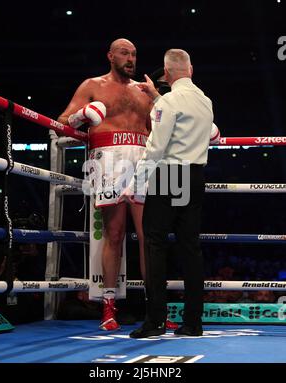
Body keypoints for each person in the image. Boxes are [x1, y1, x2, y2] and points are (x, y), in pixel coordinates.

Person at [57, 38, 178, 331]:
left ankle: (156, 310)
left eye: (134, 54)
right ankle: (108, 308)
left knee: (148, 236)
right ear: (110, 55)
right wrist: (81, 116)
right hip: (108, 160)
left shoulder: (143, 91)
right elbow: (62, 122)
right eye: (124, 53)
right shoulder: (92, 86)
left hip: (141, 158)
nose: (130, 58)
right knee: (113, 234)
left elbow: (155, 132)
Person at [120, 49, 214, 338]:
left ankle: (155, 320)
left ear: (167, 72)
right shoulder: (204, 100)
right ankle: (193, 323)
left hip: (170, 174)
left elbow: (156, 147)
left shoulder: (170, 101)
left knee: (155, 245)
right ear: (191, 70)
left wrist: (135, 185)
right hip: (195, 175)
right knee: (190, 248)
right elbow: (179, 117)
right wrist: (157, 99)